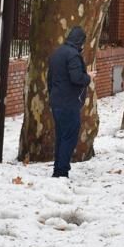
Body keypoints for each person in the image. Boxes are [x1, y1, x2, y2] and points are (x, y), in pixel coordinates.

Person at [48, 26, 94, 178]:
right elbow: (77, 78)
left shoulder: (57, 53)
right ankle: (61, 171)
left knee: (61, 136)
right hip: (69, 102)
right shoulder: (73, 55)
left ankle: (58, 168)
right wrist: (89, 77)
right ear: (80, 41)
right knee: (69, 137)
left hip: (57, 101)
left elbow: (50, 79)